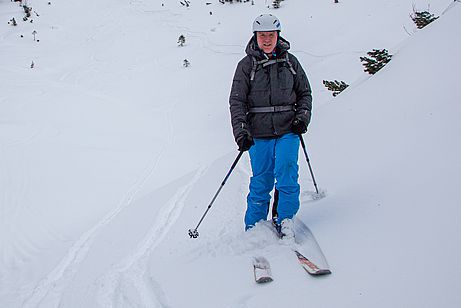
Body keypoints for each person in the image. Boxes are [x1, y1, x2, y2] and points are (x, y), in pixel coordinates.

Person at [229, 14, 312, 239]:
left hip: (288, 130)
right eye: (262, 35)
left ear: (278, 36)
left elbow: (304, 93)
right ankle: (254, 227)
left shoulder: (290, 62)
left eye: (271, 35)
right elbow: (237, 101)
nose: (267, 40)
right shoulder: (246, 66)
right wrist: (241, 132)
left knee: (287, 174)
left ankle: (285, 219)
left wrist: (302, 118)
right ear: (255, 37)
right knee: (261, 180)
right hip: (259, 133)